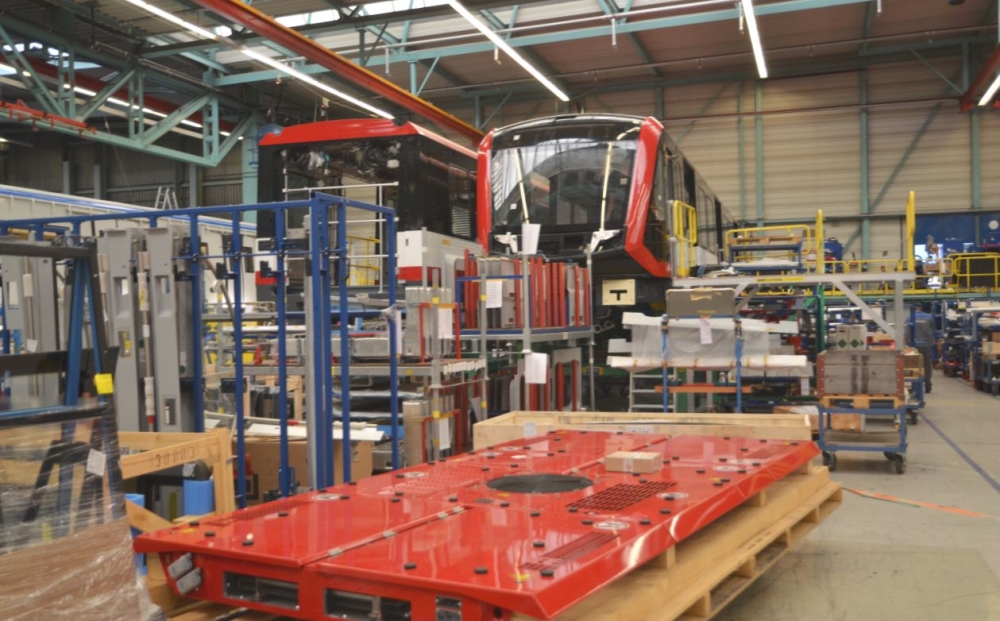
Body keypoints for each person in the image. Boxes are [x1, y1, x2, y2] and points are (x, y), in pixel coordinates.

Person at [912, 305, 937, 393]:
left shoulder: (910, 317)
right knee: (927, 365)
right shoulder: (929, 317)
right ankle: (928, 385)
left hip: (914, 345)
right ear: (922, 309)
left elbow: (906, 330)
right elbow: (934, 330)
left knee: (914, 366)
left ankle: (915, 387)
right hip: (927, 344)